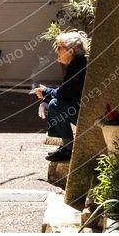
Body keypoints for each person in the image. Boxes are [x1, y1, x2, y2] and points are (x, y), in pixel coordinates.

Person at [34, 31, 88, 162]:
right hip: (85, 109)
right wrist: (47, 95)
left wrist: (46, 92)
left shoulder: (79, 66)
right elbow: (66, 90)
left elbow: (64, 94)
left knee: (55, 104)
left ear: (70, 51)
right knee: (53, 101)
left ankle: (67, 149)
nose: (56, 50)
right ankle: (66, 147)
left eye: (59, 47)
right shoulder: (77, 64)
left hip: (88, 114)